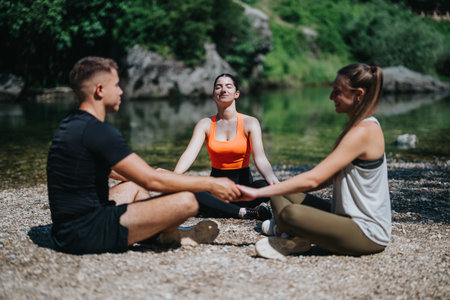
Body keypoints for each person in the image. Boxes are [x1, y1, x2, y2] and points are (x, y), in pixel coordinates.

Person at [46, 57, 240, 254]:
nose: (121, 91)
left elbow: (117, 172)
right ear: (100, 90)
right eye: (116, 85)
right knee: (187, 202)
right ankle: (165, 234)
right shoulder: (100, 132)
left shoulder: (70, 125)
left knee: (134, 186)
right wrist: (211, 184)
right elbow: (151, 181)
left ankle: (156, 234)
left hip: (66, 230)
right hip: (85, 234)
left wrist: (151, 175)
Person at [237, 63, 391, 260]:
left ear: (358, 94)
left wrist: (256, 192)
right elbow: (328, 179)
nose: (331, 97)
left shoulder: (364, 131)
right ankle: (293, 234)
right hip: (342, 217)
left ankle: (289, 231)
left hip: (367, 233)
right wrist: (282, 190)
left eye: (338, 92)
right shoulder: (356, 127)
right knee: (279, 192)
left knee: (290, 214)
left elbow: (314, 180)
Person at [174, 73, 279, 220]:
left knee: (265, 185)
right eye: (218, 87)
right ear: (213, 95)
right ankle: (243, 212)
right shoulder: (204, 124)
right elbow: (189, 154)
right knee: (191, 189)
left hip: (244, 189)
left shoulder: (250, 122)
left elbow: (260, 158)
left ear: (236, 94)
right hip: (216, 189)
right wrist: (174, 176)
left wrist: (273, 180)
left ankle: (221, 209)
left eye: (228, 86)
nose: (223, 90)